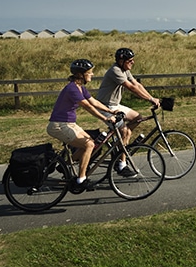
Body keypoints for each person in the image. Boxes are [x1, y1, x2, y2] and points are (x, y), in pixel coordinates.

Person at [47, 59, 119, 191]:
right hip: (59, 125)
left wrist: (110, 111)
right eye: (89, 72)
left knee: (91, 143)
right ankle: (81, 179)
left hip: (69, 123)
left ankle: (65, 165)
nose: (92, 74)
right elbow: (87, 107)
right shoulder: (72, 88)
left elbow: (94, 102)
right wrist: (105, 118)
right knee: (89, 145)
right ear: (81, 75)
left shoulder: (81, 88)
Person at [97, 48, 160, 176]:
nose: (133, 62)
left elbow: (136, 85)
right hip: (105, 106)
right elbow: (131, 88)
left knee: (137, 117)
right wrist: (150, 99)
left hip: (115, 105)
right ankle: (121, 165)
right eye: (130, 60)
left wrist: (151, 98)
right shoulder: (115, 70)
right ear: (121, 61)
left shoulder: (124, 70)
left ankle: (120, 146)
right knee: (125, 131)